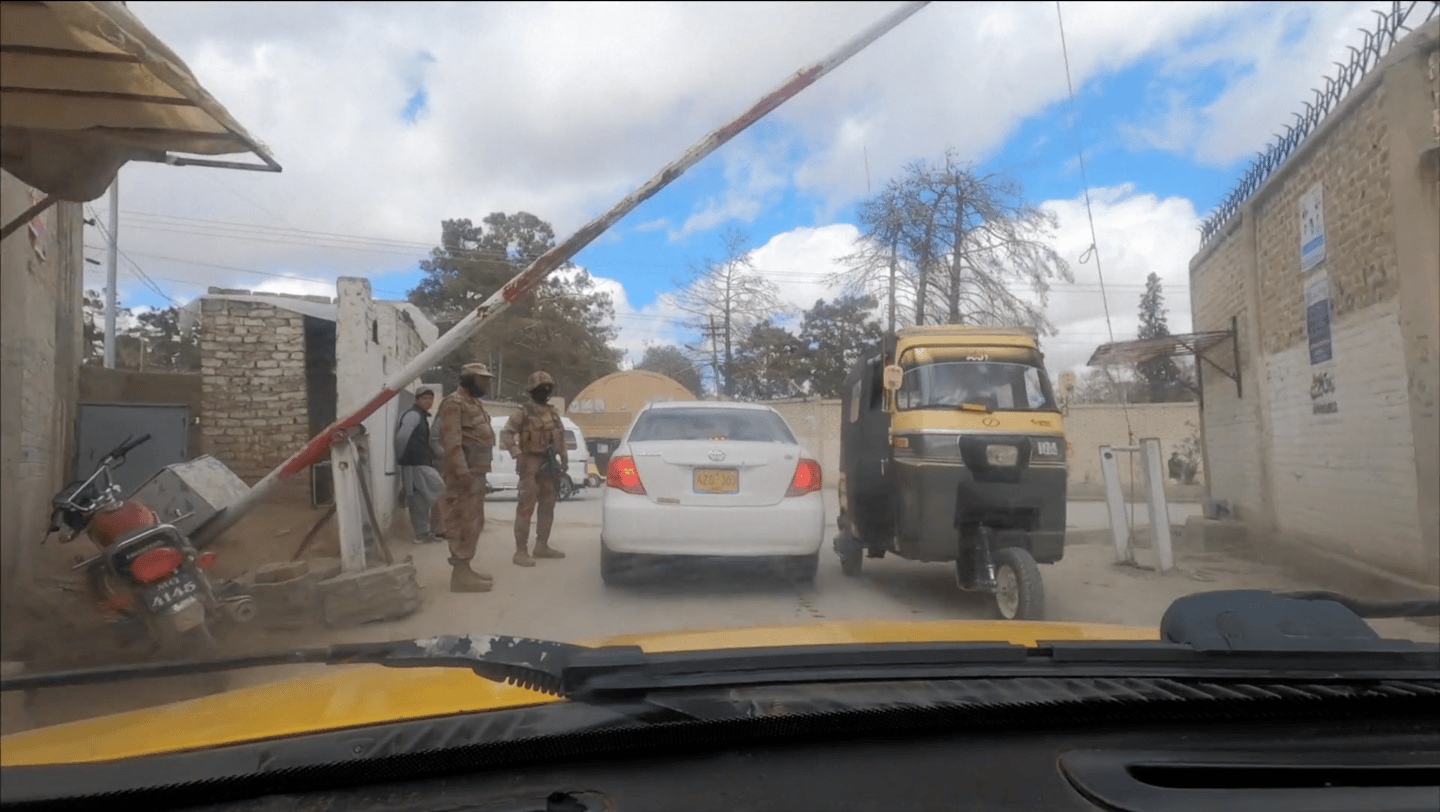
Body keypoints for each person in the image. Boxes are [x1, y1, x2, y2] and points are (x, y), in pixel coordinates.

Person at [435, 363, 497, 593]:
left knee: (474, 522)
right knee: (461, 521)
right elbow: (452, 442)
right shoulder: (453, 403)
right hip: (463, 475)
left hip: (476, 473)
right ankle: (459, 575)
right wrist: (463, 473)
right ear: (468, 379)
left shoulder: (475, 404)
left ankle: (465, 568)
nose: (487, 384)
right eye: (483, 380)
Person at [501, 371, 568, 567]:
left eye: (548, 388)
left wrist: (563, 458)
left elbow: (560, 437)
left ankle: (541, 546)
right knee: (525, 507)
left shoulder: (553, 412)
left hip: (550, 464)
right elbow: (506, 434)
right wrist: (517, 454)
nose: (545, 391)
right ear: (532, 390)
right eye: (541, 388)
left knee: (548, 505)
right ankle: (520, 551)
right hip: (530, 462)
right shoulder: (523, 411)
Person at [395, 388, 444, 544]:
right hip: (413, 463)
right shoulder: (413, 415)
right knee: (419, 498)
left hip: (420, 462)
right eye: (425, 398)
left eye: (430, 398)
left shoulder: (421, 416)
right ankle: (421, 535)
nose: (428, 401)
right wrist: (402, 458)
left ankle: (424, 532)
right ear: (417, 399)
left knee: (423, 496)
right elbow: (402, 437)